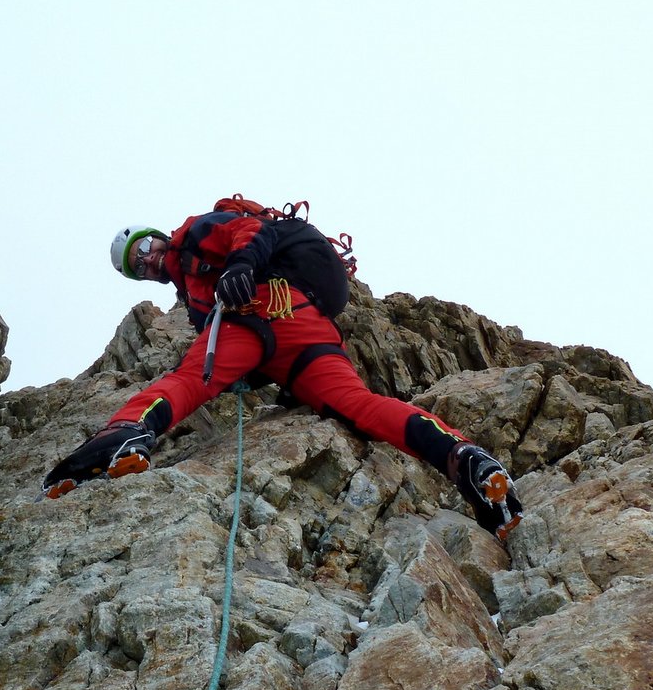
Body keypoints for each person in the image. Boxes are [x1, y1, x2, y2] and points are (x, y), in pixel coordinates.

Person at [43, 206, 523, 541]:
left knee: (190, 380)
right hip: (299, 328)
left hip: (263, 310)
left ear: (157, 235)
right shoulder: (190, 294)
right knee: (356, 405)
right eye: (139, 267)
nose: (147, 260)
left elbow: (249, 231)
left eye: (144, 247)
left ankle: (124, 433)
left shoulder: (194, 232)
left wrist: (240, 266)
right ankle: (463, 457)